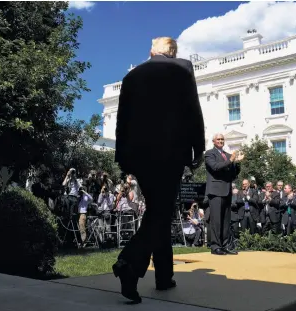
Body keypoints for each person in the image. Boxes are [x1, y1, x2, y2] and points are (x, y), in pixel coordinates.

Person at [112, 36, 205, 303]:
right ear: (173, 52)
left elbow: (122, 120)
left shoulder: (132, 76)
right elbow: (192, 110)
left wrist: (123, 157)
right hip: (169, 151)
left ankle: (164, 276)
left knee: (158, 210)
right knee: (161, 211)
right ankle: (129, 263)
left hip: (138, 154)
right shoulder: (182, 68)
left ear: (153, 51)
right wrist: (197, 148)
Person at [204, 134, 243, 255]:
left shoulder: (227, 155)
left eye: (222, 139)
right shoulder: (210, 154)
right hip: (215, 191)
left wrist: (237, 163)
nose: (221, 141)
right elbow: (215, 167)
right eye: (218, 139)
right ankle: (215, 246)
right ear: (213, 141)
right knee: (216, 220)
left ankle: (225, 245)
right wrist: (231, 160)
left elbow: (232, 174)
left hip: (226, 190)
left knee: (226, 220)